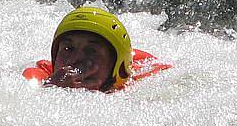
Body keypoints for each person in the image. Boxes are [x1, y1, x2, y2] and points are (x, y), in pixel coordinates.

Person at [22, 6, 171, 91]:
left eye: (91, 51)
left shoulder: (145, 86)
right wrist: (52, 88)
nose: (74, 60)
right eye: (68, 49)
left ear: (117, 66)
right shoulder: (38, 77)